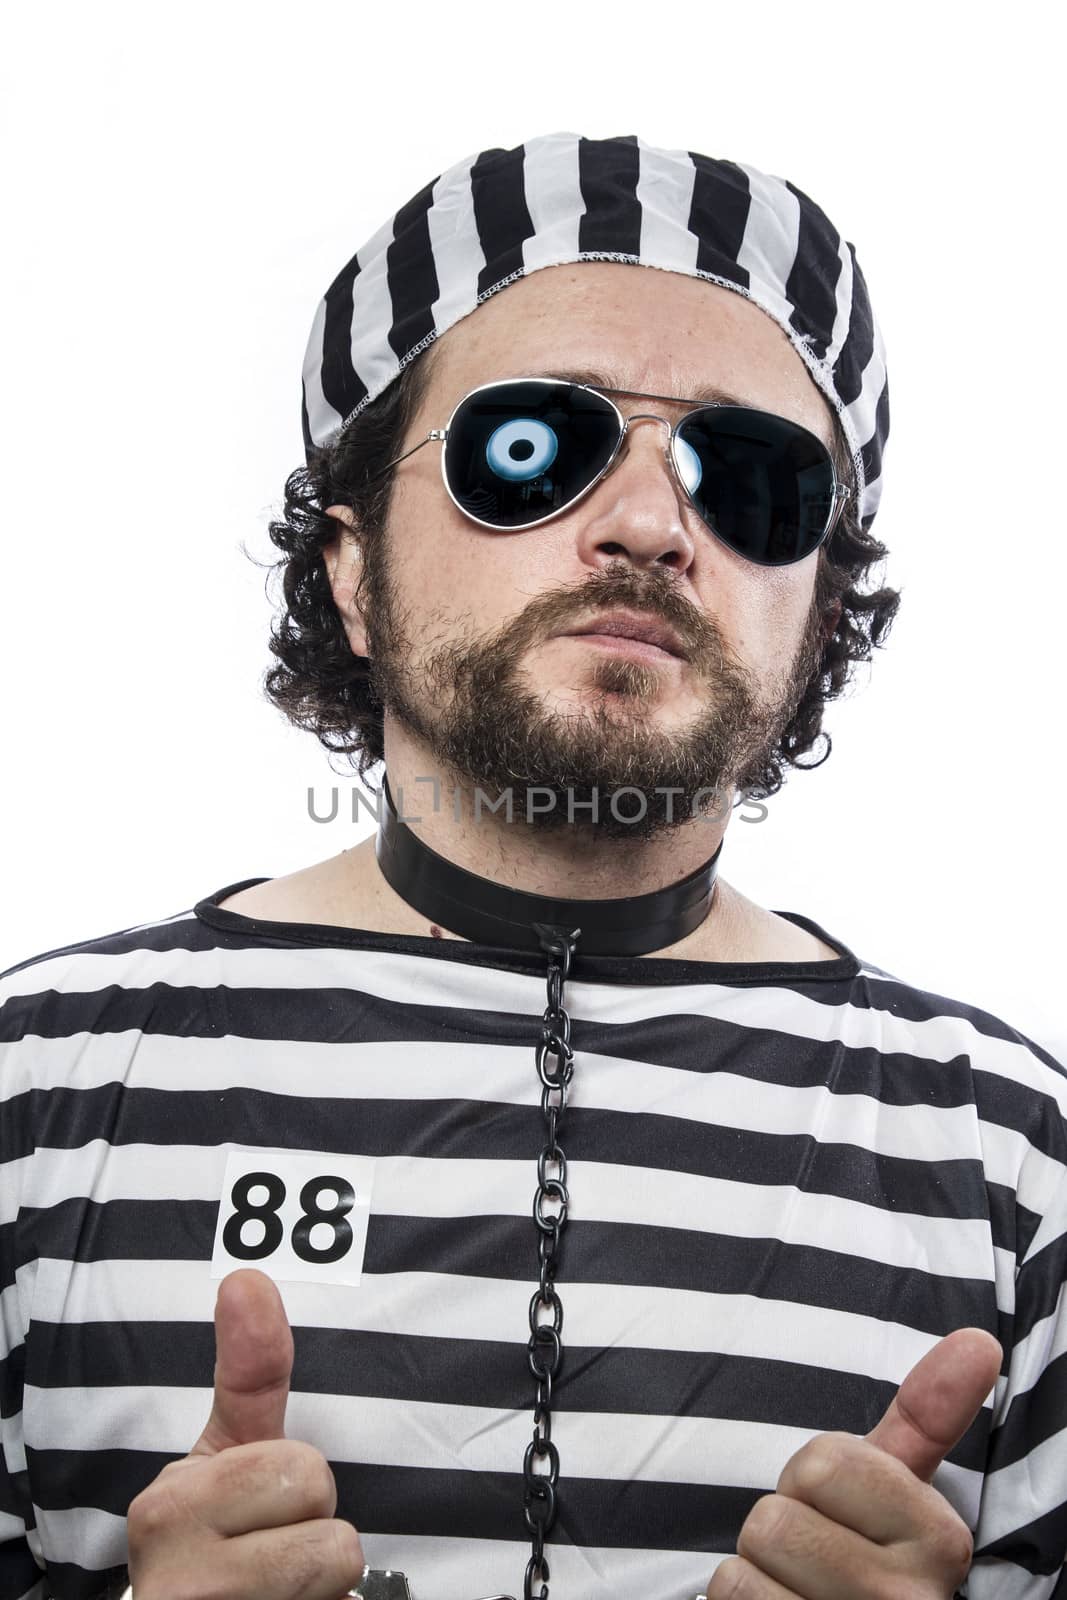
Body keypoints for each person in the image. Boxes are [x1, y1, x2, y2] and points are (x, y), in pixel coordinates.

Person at [1, 132, 1064, 1600]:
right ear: (351, 571)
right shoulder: (40, 1101)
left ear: (818, 614)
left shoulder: (1011, 1169)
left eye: (748, 480)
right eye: (533, 449)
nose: (645, 527)